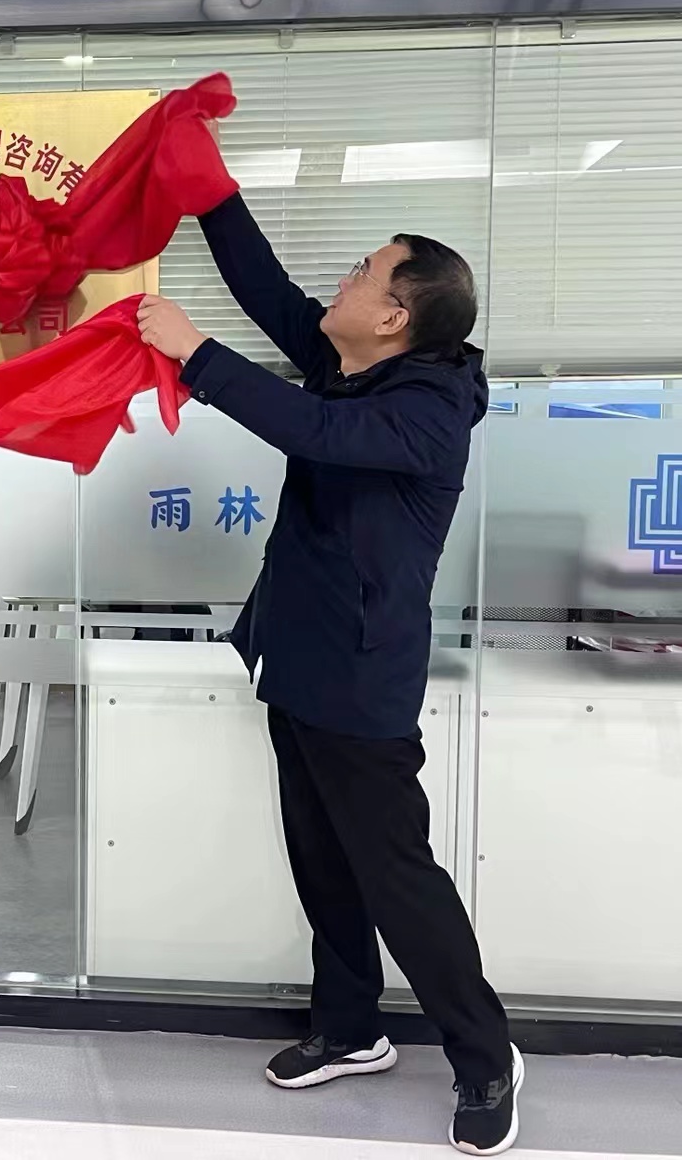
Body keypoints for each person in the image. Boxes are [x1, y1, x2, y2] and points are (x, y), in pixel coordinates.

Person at [136, 184, 521, 1158]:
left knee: (397, 879)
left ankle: (486, 1057)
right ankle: (351, 1030)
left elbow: (318, 435)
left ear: (394, 317)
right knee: (321, 861)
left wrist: (195, 355)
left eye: (362, 272)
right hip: (299, 658)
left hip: (360, 677)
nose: (341, 281)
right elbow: (266, 289)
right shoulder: (349, 363)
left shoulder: (428, 410)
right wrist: (209, 193)